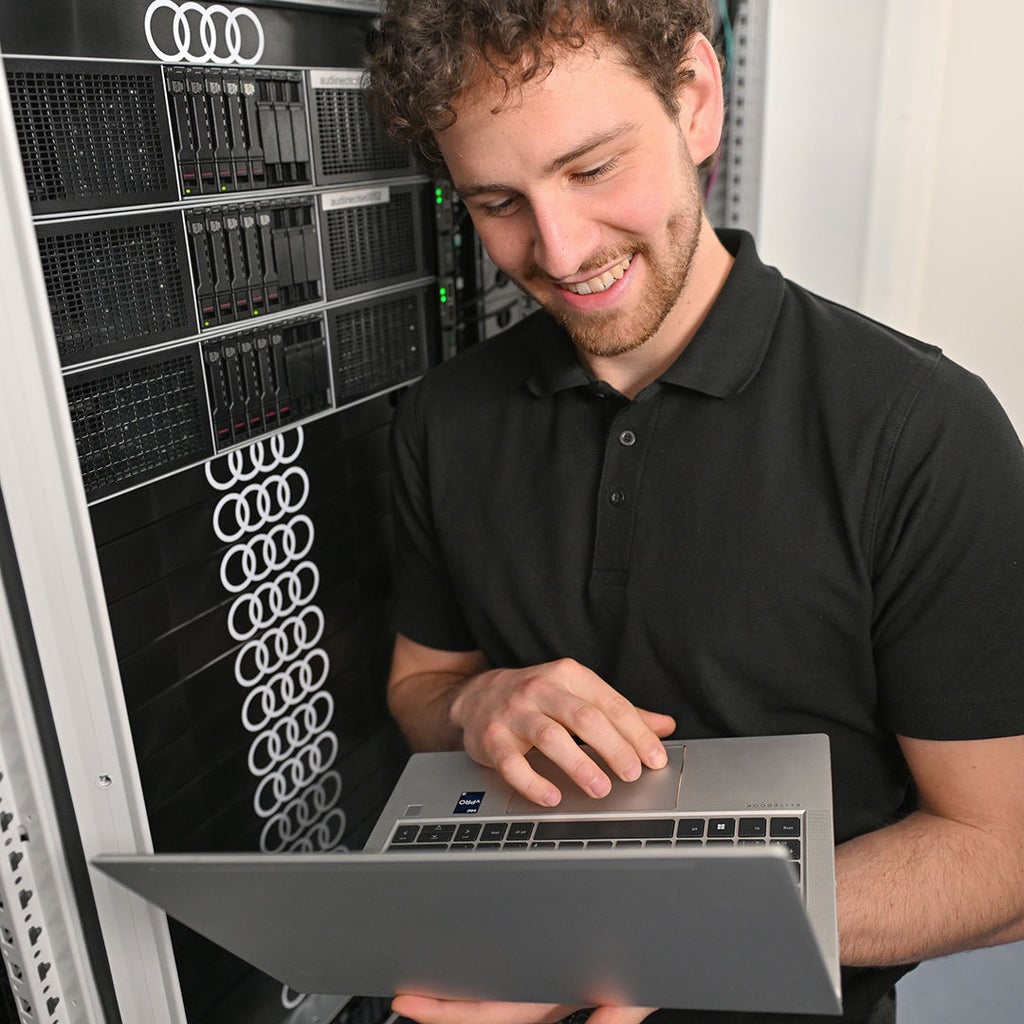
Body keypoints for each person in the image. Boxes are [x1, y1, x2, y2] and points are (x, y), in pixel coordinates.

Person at [363, 2, 1024, 1023]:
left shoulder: (920, 432)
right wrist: (476, 704)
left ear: (698, 98)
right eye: (498, 201)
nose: (561, 247)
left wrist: (641, 941)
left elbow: (1002, 859)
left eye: (590, 169)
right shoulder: (443, 423)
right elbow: (423, 685)